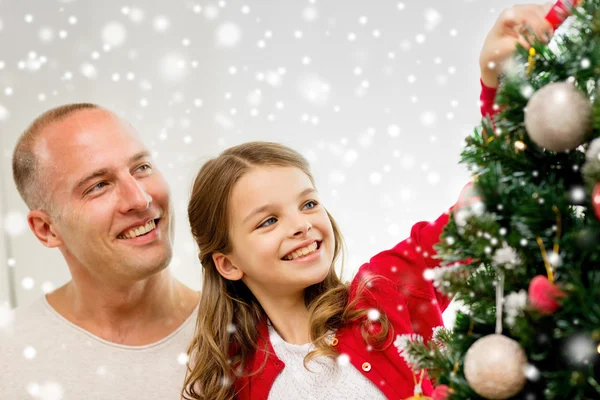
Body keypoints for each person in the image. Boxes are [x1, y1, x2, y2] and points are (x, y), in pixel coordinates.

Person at [181, 4, 556, 400]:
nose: (300, 224)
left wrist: (498, 82)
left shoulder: (383, 294)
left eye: (308, 204)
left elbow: (489, 203)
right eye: (268, 221)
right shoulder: (238, 380)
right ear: (228, 263)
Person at [0, 104, 199, 399]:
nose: (140, 199)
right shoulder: (9, 356)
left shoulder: (251, 334)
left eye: (141, 168)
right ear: (46, 229)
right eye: (98, 186)